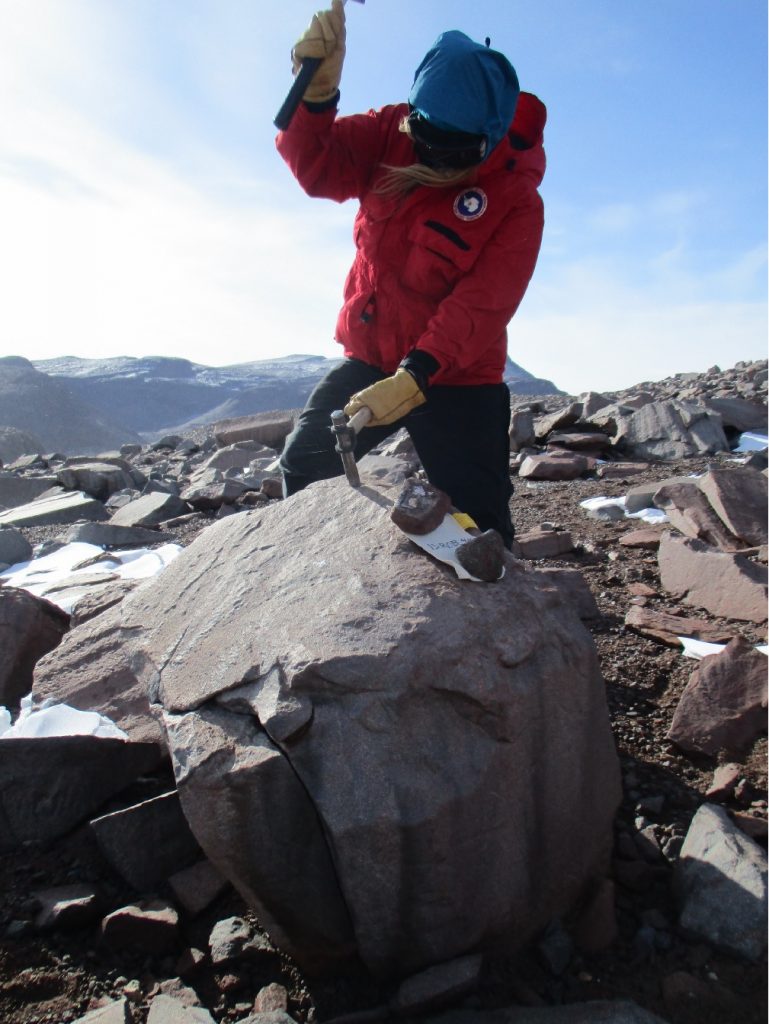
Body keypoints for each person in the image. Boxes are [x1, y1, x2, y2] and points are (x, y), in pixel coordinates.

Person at [276, 0, 546, 548]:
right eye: (427, 143)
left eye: (456, 154)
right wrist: (316, 95)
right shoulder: (388, 131)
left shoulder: (515, 198)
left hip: (456, 376)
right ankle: (314, 584)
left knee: (482, 525)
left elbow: (483, 303)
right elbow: (318, 168)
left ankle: (501, 619)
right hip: (372, 359)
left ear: (488, 137)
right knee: (304, 463)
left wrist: (417, 375)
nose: (438, 162)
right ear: (415, 117)